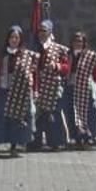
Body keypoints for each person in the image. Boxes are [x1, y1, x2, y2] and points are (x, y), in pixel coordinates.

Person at [0, 25, 38, 158]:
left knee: (16, 118)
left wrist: (34, 90)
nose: (14, 40)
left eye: (17, 37)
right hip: (3, 90)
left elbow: (33, 74)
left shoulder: (25, 55)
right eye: (12, 37)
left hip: (19, 92)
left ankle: (14, 146)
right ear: (8, 39)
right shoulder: (1, 55)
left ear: (20, 39)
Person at [30, 19, 69, 151]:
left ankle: (56, 141)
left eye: (44, 30)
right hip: (36, 85)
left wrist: (57, 66)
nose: (41, 33)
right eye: (40, 30)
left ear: (50, 32)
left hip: (52, 86)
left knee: (54, 114)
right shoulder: (33, 47)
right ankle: (35, 141)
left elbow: (66, 67)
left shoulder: (58, 49)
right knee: (36, 114)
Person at [64, 31, 96, 150]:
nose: (78, 43)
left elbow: (95, 72)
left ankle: (87, 137)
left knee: (86, 113)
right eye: (76, 41)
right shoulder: (67, 54)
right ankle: (76, 138)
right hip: (71, 86)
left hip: (85, 87)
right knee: (72, 113)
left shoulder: (89, 55)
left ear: (84, 42)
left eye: (80, 41)